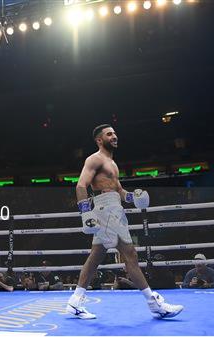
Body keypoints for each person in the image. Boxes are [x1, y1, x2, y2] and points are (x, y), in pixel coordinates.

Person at [67, 124, 183, 320]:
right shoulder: (94, 159)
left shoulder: (112, 163)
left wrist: (134, 197)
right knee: (130, 254)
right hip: (106, 209)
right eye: (109, 134)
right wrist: (85, 214)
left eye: (114, 133)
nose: (114, 136)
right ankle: (154, 303)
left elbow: (119, 192)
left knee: (96, 255)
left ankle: (75, 301)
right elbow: (81, 185)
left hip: (113, 208)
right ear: (99, 140)